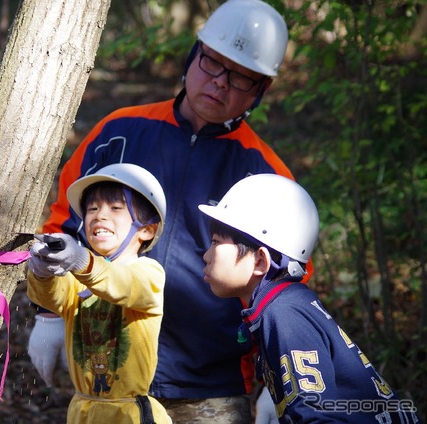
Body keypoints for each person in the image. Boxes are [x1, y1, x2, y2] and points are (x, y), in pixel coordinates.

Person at [29, 0, 299, 421]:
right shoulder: (118, 131)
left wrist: (280, 376)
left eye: (242, 78)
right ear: (194, 56)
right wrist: (47, 314)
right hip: (109, 372)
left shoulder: (266, 175)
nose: (220, 84)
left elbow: (284, 287)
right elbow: (67, 219)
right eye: (212, 64)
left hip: (210, 385)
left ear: (261, 90)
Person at [199, 173, 422, 423]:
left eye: (216, 243)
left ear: (260, 261)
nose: (206, 255)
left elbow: (317, 417)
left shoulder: (285, 315)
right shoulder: (287, 304)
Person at [26, 163, 172, 424]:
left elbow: (122, 284)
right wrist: (42, 272)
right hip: (83, 410)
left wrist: (82, 260)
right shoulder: (79, 277)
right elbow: (51, 297)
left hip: (129, 414)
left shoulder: (149, 272)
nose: (100, 216)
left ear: (146, 230)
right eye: (92, 208)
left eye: (116, 208)